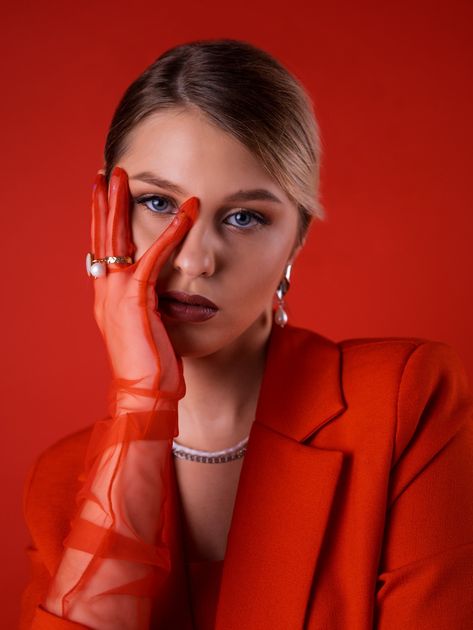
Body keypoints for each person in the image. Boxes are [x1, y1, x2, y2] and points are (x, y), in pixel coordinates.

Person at [20, 39, 473, 630]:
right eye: (157, 202)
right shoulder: (60, 482)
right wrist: (141, 403)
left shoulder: (403, 404)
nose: (196, 260)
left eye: (245, 217)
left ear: (297, 241)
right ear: (105, 212)